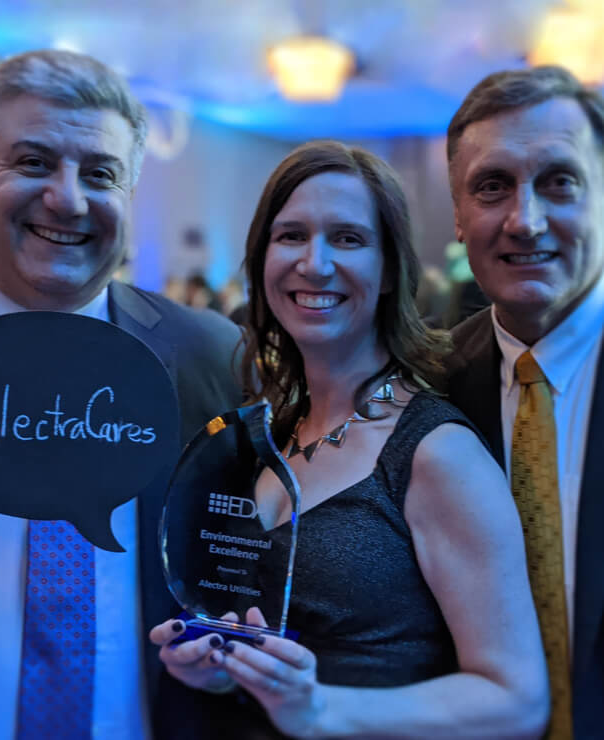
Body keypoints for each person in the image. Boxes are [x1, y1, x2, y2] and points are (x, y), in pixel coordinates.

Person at [151, 141, 549, 739]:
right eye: (291, 236)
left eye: (347, 238)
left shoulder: (436, 452)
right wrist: (221, 665)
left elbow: (515, 700)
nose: (314, 263)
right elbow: (278, 648)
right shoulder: (270, 432)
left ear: (390, 269)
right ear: (262, 259)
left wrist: (321, 712)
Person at [0, 49, 241, 740]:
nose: (68, 198)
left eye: (99, 174)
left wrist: (235, 644)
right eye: (33, 162)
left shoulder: (212, 358)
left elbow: (241, 566)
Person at [444, 66, 604, 739]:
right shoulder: (425, 386)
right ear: (457, 215)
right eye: (492, 186)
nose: (525, 220)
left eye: (559, 182)